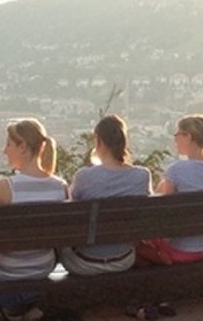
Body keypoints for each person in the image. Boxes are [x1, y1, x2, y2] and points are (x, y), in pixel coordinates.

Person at [136, 113, 203, 266]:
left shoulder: (176, 170)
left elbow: (160, 211)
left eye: (177, 134)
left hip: (180, 252)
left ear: (188, 137)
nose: (175, 139)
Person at [59, 114, 152, 275]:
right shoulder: (142, 176)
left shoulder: (84, 176)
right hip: (124, 259)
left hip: (85, 262)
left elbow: (69, 215)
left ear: (98, 142)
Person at [0, 118, 68, 281]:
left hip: (4, 269)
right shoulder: (60, 187)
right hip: (44, 266)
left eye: (8, 145)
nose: (5, 151)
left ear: (23, 147)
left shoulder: (4, 188)